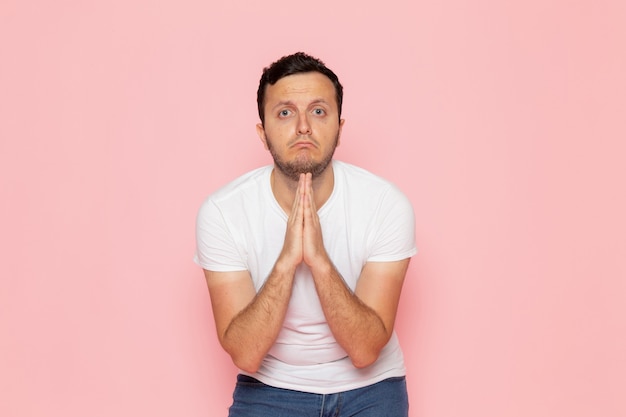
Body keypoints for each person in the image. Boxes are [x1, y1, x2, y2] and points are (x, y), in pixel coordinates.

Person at [195, 52, 417, 417]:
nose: (302, 127)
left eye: (318, 111)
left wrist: (319, 262)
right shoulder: (222, 212)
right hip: (270, 387)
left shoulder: (386, 204)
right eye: (285, 112)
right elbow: (246, 354)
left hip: (372, 388)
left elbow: (365, 351)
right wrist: (285, 263)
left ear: (340, 129)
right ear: (262, 133)